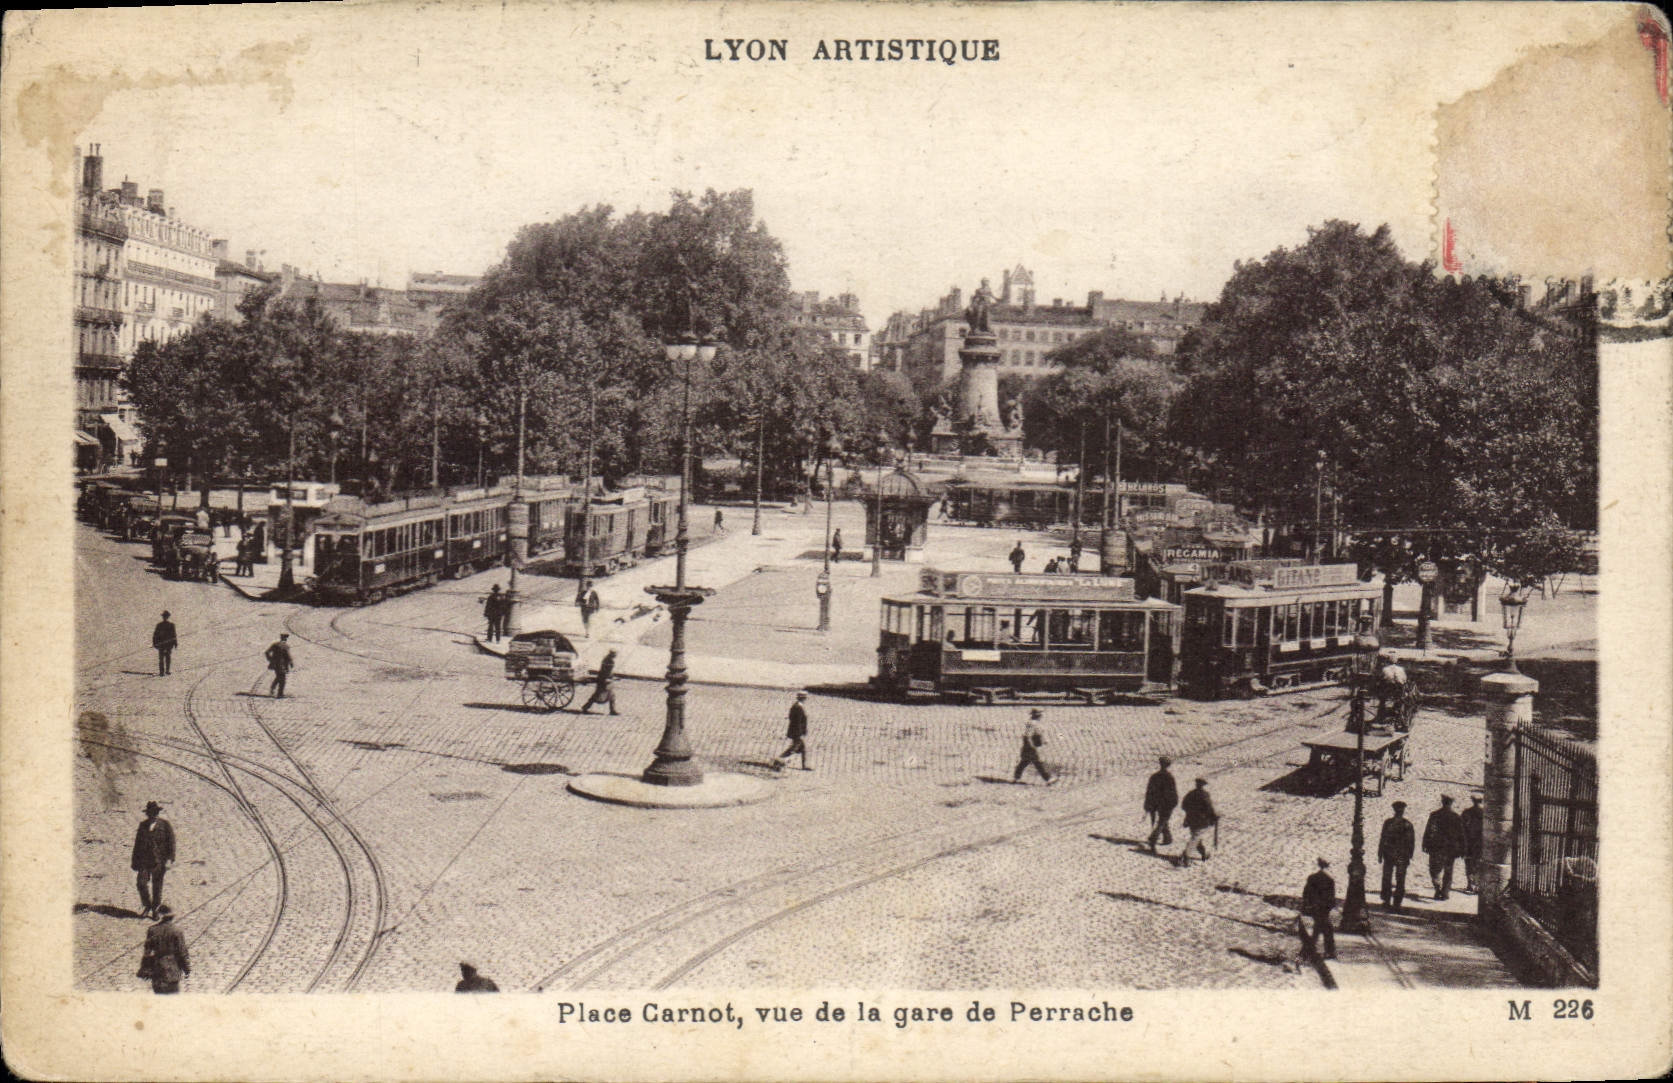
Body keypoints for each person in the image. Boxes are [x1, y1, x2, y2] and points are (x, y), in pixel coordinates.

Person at [131, 800, 175, 918]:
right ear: (148, 814)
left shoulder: (165, 825)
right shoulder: (143, 825)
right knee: (141, 883)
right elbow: (137, 844)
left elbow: (171, 843)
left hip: (159, 861)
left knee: (157, 886)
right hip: (144, 861)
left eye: (156, 812)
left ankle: (155, 909)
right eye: (151, 812)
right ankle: (147, 906)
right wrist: (135, 861)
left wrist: (170, 860)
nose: (154, 815)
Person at [1422, 794, 1467, 900]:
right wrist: (1463, 849)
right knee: (1448, 870)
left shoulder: (1434, 815)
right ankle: (1445, 892)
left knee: (1434, 869)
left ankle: (1437, 889)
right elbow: (1461, 834)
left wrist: (1425, 843)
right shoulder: (1456, 817)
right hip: (1450, 849)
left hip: (1436, 847)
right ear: (1451, 803)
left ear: (1442, 802)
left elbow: (1429, 830)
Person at [137, 905, 189, 994]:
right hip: (173, 971)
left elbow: (147, 953)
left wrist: (144, 968)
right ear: (172, 917)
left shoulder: (152, 930)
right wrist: (187, 969)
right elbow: (182, 953)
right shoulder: (177, 931)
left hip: (157, 970)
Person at [1378, 800, 1417, 910]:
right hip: (1401, 856)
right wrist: (1409, 855)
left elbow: (1383, 838)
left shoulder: (1388, 823)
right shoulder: (1407, 824)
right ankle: (1397, 902)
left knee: (1387, 877)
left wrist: (1380, 853)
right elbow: (1411, 842)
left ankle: (1386, 900)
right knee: (1400, 879)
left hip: (1389, 854)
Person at [1301, 858, 1338, 959]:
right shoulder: (1330, 880)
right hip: (1323, 909)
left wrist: (1307, 906)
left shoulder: (1312, 878)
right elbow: (1331, 899)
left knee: (1318, 929)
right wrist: (1329, 909)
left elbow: (1306, 894)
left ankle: (1307, 951)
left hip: (1314, 908)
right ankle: (1328, 951)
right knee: (1326, 929)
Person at [1143, 755, 1178, 853]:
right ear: (1168, 765)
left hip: (1156, 803)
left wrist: (1148, 803)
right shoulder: (1169, 777)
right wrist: (1174, 802)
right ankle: (1153, 839)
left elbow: (1149, 791)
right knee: (1163, 821)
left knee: (1163, 820)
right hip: (1166, 803)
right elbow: (1172, 792)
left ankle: (1168, 838)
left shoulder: (1154, 776)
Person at [1178, 778, 1218, 866]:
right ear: (1203, 786)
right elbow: (1209, 808)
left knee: (1196, 836)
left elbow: (1183, 806)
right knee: (1195, 838)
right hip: (1202, 820)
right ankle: (1186, 856)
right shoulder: (1205, 795)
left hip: (1191, 819)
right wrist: (1214, 816)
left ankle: (1203, 853)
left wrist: (1190, 812)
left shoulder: (1190, 794)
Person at [1012, 708, 1055, 785]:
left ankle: (1016, 777)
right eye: (1040, 714)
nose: (1041, 715)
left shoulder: (1035, 723)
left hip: (1032, 745)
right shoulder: (1032, 724)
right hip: (1030, 746)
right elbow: (1027, 736)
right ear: (1037, 715)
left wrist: (1043, 741)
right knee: (1037, 762)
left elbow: (1038, 734)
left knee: (1024, 762)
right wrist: (1032, 747)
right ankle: (1048, 779)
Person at [773, 690, 812, 771]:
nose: (806, 699)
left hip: (798, 732)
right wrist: (800, 733)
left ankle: (805, 765)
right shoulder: (798, 707)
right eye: (805, 697)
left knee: (803, 748)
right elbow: (797, 722)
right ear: (802, 698)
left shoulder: (798, 706)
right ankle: (779, 760)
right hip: (797, 732)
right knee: (793, 749)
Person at [579, 649, 619, 715]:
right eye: (615, 654)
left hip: (604, 679)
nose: (616, 656)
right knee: (598, 695)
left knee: (611, 695)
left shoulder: (606, 659)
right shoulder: (610, 661)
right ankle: (585, 707)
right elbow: (606, 671)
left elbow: (605, 671)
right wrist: (609, 678)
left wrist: (611, 677)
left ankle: (612, 710)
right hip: (604, 680)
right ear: (612, 654)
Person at [1460, 793, 1485, 893]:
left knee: (1469, 863)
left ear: (1473, 801)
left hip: (1469, 842)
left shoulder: (1466, 812)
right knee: (1478, 863)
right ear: (1481, 801)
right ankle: (1478, 885)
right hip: (1480, 843)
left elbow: (1461, 828)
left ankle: (1471, 884)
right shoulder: (1485, 813)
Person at [1377, 651, 1409, 722]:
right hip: (1398, 690)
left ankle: (1381, 713)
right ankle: (1398, 711)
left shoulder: (1384, 669)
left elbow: (1381, 679)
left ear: (1388, 660)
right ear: (1397, 661)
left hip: (1387, 690)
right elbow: (1404, 680)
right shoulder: (1401, 669)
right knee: (1401, 696)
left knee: (1382, 698)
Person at [265, 632, 294, 699]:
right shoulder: (285, 646)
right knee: (282, 679)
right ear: (285, 638)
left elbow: (266, 652)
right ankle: (280, 693)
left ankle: (273, 688)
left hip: (275, 664)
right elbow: (288, 656)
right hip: (282, 665)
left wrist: (271, 660)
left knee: (279, 677)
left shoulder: (275, 644)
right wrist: (291, 663)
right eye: (286, 638)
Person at [152, 610, 178, 677]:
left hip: (168, 644)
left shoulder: (171, 625)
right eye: (164, 616)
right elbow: (155, 635)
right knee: (161, 658)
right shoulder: (159, 625)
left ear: (168, 617)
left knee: (168, 657)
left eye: (166, 616)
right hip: (161, 644)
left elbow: (174, 635)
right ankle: (162, 672)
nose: (165, 618)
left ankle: (167, 670)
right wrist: (155, 643)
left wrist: (175, 643)